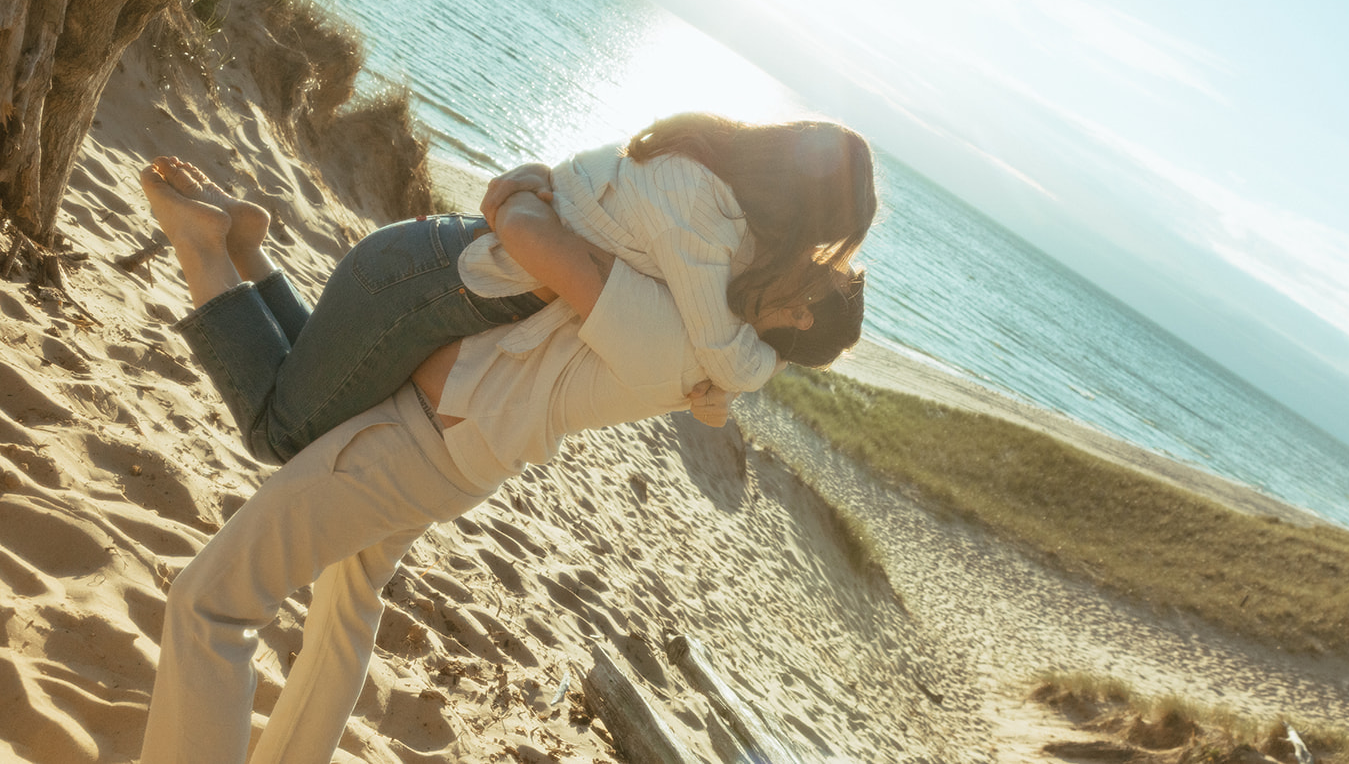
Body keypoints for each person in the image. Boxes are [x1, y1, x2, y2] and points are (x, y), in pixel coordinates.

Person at [136, 159, 866, 764]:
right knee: (346, 610)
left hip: (415, 439)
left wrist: (528, 191)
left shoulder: (682, 336)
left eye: (822, 270)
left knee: (210, 604)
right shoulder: (713, 340)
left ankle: (210, 249)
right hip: (452, 450)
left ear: (801, 315)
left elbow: (542, 243)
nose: (802, 254)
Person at [170, 112, 875, 464]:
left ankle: (247, 250)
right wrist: (771, 359)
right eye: (823, 238)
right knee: (283, 434)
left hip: (425, 268)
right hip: (426, 284)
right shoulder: (706, 218)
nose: (813, 254)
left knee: (307, 380)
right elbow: (720, 350)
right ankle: (202, 244)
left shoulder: (714, 195)